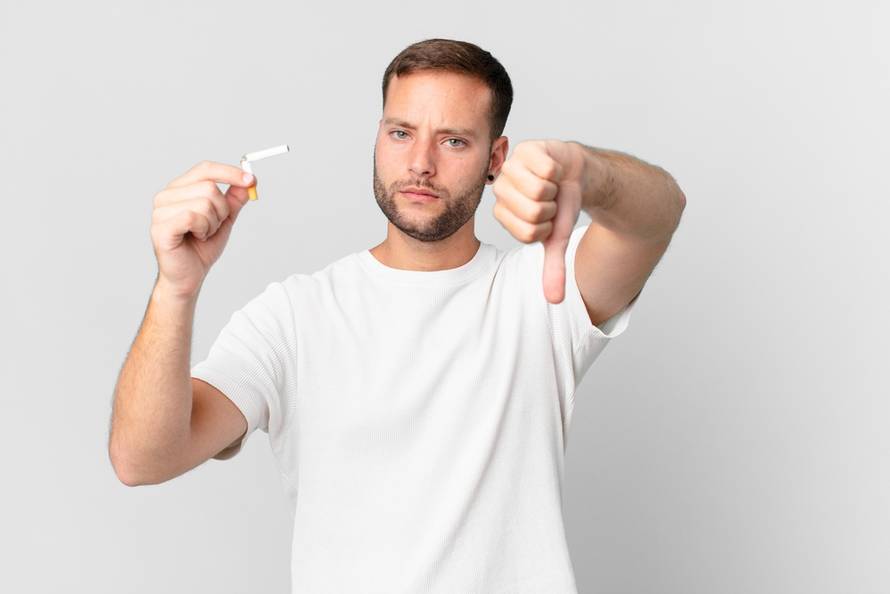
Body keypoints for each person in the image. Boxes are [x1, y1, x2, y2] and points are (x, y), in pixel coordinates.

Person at [109, 38, 685, 594]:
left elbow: (660, 214)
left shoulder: (538, 294)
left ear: (496, 158)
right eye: (401, 132)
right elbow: (142, 458)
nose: (420, 164)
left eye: (454, 141)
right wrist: (176, 289)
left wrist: (589, 171)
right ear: (378, 138)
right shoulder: (294, 316)